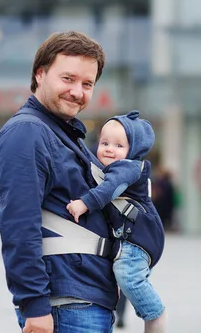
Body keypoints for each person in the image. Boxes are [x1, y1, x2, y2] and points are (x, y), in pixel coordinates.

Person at [0, 31, 117, 333]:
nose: (77, 91)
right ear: (40, 73)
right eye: (68, 79)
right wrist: (34, 305)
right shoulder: (27, 133)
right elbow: (19, 225)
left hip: (83, 300)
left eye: (87, 84)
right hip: (66, 307)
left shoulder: (60, 133)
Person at [67, 111, 167, 333]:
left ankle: (155, 312)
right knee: (120, 276)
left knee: (127, 275)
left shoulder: (127, 168)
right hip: (135, 236)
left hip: (138, 239)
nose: (109, 149)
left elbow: (108, 190)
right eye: (104, 143)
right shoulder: (115, 166)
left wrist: (83, 204)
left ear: (134, 151)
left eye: (118, 146)